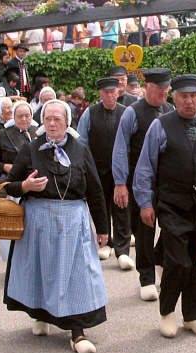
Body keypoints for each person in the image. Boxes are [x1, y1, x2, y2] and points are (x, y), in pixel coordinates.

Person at [3, 99, 109, 353]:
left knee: (77, 275)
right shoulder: (30, 149)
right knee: (41, 271)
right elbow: (9, 185)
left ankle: (78, 331)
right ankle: (41, 314)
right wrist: (25, 187)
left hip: (73, 221)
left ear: (67, 122)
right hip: (38, 221)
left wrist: (103, 227)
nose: (51, 123)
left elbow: (94, 189)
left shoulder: (80, 149)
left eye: (57, 119)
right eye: (47, 118)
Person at [133, 74, 196, 337]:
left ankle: (194, 314)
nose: (189, 101)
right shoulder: (160, 127)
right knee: (177, 262)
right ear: (174, 97)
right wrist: (145, 203)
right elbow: (144, 169)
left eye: (194, 96)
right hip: (171, 206)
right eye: (183, 96)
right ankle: (167, 312)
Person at [112, 68, 175, 301]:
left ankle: (159, 258)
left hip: (168, 182)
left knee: (172, 228)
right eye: (159, 89)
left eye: (166, 90)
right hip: (140, 183)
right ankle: (146, 278)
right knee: (144, 232)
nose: (163, 93)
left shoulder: (171, 111)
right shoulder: (132, 112)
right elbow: (120, 148)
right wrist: (120, 183)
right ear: (147, 87)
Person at [78, 78, 133, 268]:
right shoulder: (90, 113)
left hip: (121, 171)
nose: (110, 95)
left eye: (113, 92)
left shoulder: (126, 113)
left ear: (118, 92)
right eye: (106, 92)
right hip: (97, 169)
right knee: (101, 206)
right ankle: (105, 241)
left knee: (123, 208)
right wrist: (86, 167)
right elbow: (82, 142)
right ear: (100, 94)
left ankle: (123, 250)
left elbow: (133, 141)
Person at [0, 101, 36, 261]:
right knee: (15, 227)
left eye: (27, 115)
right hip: (16, 187)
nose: (24, 119)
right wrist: (6, 167)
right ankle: (13, 260)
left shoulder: (38, 133)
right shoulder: (4, 134)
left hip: (35, 189)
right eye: (20, 116)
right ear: (14, 117)